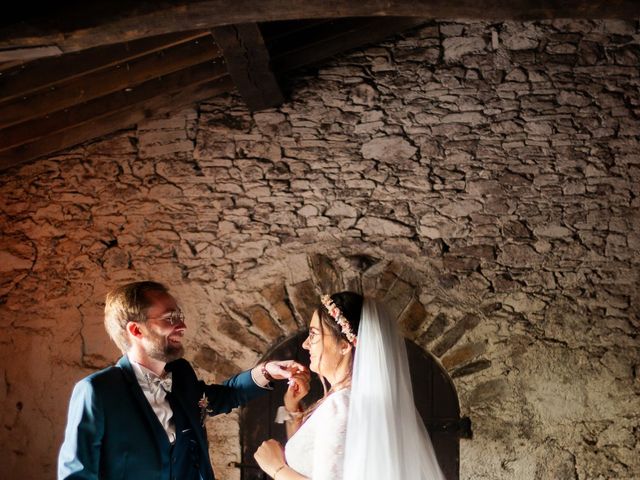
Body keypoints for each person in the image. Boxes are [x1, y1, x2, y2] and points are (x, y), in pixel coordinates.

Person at [58, 281, 305, 480]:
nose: (183, 325)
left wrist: (266, 371)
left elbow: (219, 398)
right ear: (136, 330)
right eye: (170, 318)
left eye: (180, 315)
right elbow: (76, 475)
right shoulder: (97, 391)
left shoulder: (182, 373)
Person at [254, 291, 445, 480]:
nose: (305, 344)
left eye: (313, 335)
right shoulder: (356, 400)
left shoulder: (340, 406)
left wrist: (276, 468)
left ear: (344, 345)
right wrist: (292, 408)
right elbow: (312, 466)